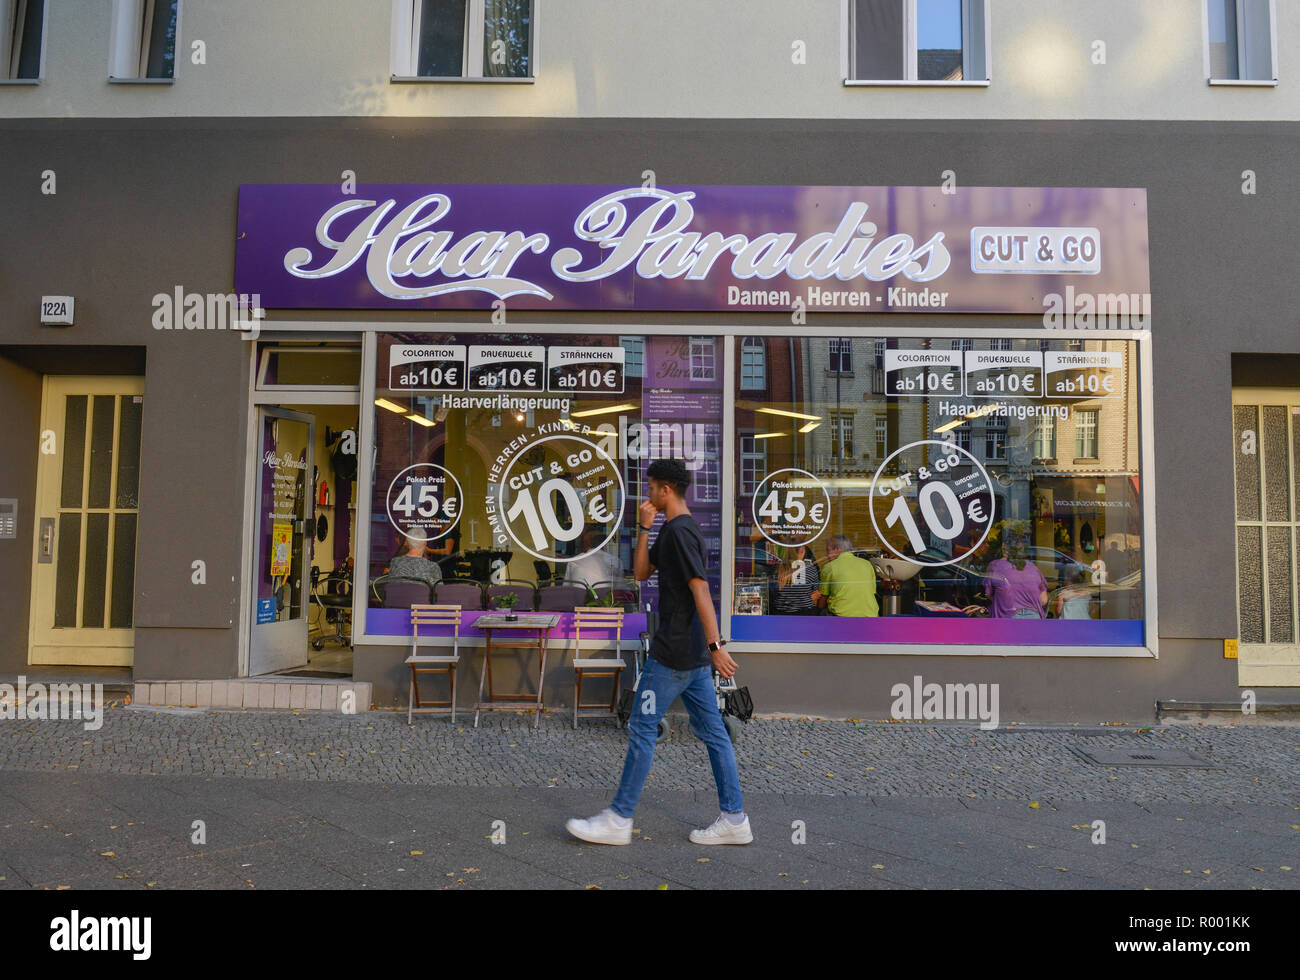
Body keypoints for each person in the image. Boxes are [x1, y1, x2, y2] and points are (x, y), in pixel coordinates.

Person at [566, 459, 751, 846]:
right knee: (714, 734)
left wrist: (716, 646)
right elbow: (640, 574)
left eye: (650, 488)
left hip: (674, 654)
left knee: (641, 728)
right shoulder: (671, 529)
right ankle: (735, 818)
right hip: (691, 654)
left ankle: (618, 818)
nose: (646, 495)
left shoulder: (682, 533)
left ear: (666, 490)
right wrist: (645, 528)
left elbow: (701, 589)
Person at [964, 529, 1047, 619]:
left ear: (1003, 546)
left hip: (1007, 616)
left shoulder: (995, 565)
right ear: (1022, 549)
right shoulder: (1033, 568)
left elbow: (989, 594)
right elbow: (1044, 600)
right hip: (1034, 617)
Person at [811, 535, 879, 617]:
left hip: (841, 618)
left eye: (828, 551)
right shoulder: (867, 564)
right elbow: (871, 591)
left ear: (837, 549)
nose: (827, 556)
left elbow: (822, 600)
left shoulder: (830, 567)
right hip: (870, 616)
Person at [563, 525, 622, 591]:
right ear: (604, 544)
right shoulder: (615, 561)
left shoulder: (573, 561)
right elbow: (620, 587)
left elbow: (566, 588)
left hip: (579, 599)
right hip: (606, 599)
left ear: (586, 544)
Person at [773, 543, 820, 615]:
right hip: (804, 613)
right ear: (803, 552)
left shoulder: (778, 568)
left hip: (781, 614)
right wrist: (808, 599)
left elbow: (774, 593)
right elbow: (816, 593)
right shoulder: (810, 569)